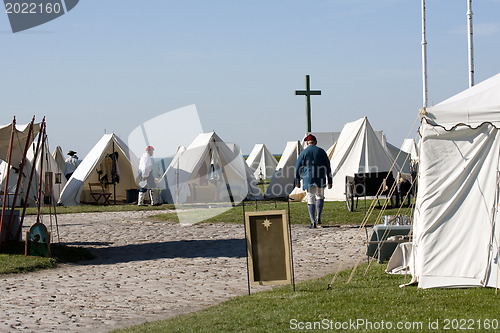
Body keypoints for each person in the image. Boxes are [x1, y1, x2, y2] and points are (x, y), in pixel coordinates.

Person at [295, 134, 332, 228]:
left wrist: (297, 180)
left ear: (307, 143)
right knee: (320, 196)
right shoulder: (321, 151)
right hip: (320, 178)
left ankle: (313, 221)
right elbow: (328, 166)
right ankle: (318, 217)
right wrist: (330, 180)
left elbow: (297, 168)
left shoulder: (303, 153)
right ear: (316, 142)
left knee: (310, 198)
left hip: (308, 179)